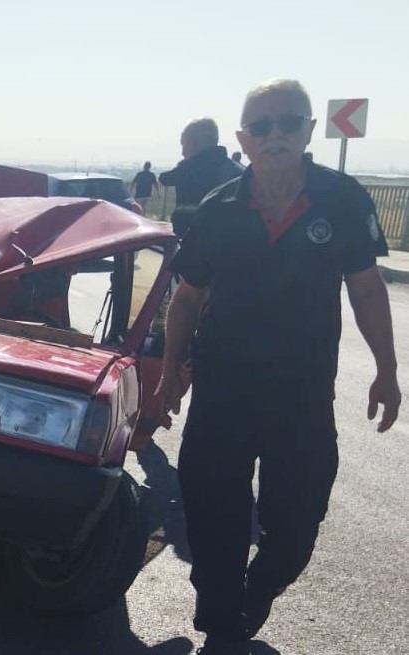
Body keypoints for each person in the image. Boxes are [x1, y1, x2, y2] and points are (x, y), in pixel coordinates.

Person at [155, 79, 401, 655]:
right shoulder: (218, 210)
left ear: (309, 130)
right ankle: (221, 623)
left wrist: (387, 370)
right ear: (244, 138)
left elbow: (366, 290)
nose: (275, 136)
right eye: (261, 127)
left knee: (296, 524)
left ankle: (261, 588)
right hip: (222, 393)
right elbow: (186, 298)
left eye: (288, 123)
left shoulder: (342, 200)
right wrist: (170, 371)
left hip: (302, 396)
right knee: (213, 516)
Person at [159, 118, 244, 237]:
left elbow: (164, 179)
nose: (182, 152)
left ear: (194, 142)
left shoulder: (188, 169)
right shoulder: (238, 172)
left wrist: (183, 166)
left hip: (190, 240)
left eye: (184, 144)